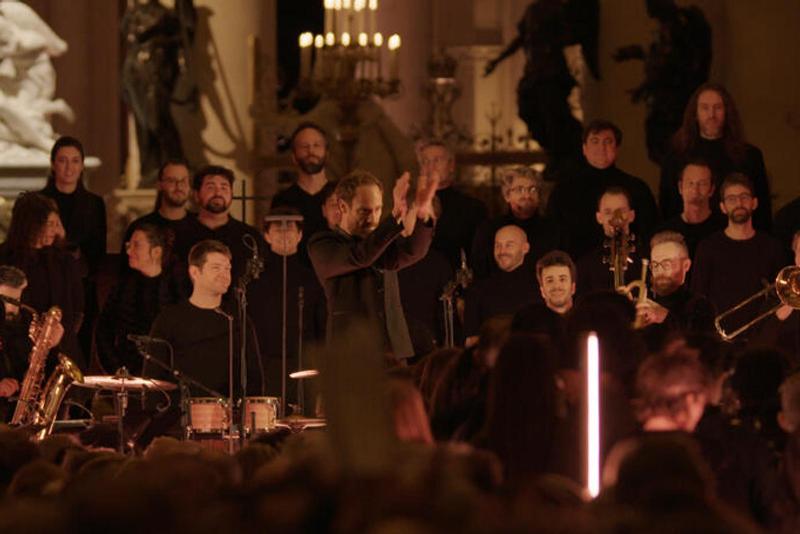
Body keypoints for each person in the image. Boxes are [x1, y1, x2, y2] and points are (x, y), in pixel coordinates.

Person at [308, 169, 437, 365]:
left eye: (378, 209)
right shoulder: (323, 243)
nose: (373, 218)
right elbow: (360, 257)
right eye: (364, 211)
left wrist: (423, 215)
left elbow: (413, 252)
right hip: (351, 352)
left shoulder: (381, 242)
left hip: (392, 351)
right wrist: (394, 219)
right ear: (342, 206)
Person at [145, 240, 263, 438]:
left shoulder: (238, 319)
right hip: (177, 425)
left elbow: (254, 377)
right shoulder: (169, 319)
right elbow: (152, 378)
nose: (225, 274)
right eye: (216, 268)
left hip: (228, 425)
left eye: (228, 268)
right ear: (195, 272)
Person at [660, 83, 772, 231]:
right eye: (705, 108)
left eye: (718, 108)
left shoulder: (749, 156)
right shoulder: (676, 155)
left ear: (727, 112)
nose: (711, 115)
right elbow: (668, 205)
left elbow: (762, 209)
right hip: (687, 237)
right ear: (695, 113)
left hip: (736, 239)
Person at [613, 0, 711, 164]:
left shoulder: (678, 27)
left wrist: (647, 81)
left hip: (674, 101)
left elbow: (671, 66)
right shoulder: (672, 26)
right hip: (668, 99)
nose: (648, 10)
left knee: (670, 149)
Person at [691, 173, 786, 339]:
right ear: (722, 207)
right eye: (732, 199)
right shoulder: (708, 247)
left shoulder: (772, 246)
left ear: (754, 203)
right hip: (719, 339)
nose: (739, 203)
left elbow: (781, 296)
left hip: (763, 337)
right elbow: (698, 298)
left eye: (744, 197)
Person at [246, 208, 325, 405]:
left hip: (304, 365)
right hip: (264, 366)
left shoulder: (314, 277)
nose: (283, 232)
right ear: (266, 235)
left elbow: (322, 325)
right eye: (277, 228)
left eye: (289, 227)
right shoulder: (253, 280)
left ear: (299, 235)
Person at [548, 120, 659, 260]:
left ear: (617, 148)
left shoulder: (638, 189)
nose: (601, 147)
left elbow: (649, 235)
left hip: (629, 267)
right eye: (595, 141)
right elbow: (554, 238)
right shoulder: (563, 192)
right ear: (584, 148)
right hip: (577, 270)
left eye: (608, 141)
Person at [0, 193, 83, 367]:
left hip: (59, 353)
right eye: (49, 224)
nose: (55, 230)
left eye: (56, 224)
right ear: (30, 224)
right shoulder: (4, 258)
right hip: (14, 357)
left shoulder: (65, 261)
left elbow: (77, 309)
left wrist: (61, 337)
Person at [121, 0, 196, 186]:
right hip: (135, 71)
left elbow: (187, 31)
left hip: (155, 70)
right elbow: (129, 34)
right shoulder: (134, 12)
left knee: (158, 120)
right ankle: (150, 170)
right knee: (143, 125)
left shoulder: (167, 15)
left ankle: (176, 164)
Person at [95, 224, 184, 376]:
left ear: (156, 252)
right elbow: (103, 331)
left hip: (167, 375)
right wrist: (116, 368)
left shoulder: (177, 288)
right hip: (128, 375)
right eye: (128, 245)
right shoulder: (122, 287)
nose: (129, 251)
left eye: (136, 245)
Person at [172, 165, 265, 286]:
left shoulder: (250, 237)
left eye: (224, 187)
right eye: (210, 187)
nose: (218, 193)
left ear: (231, 194)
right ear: (196, 195)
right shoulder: (178, 235)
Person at [0, 266, 64, 421]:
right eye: (4, 301)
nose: (13, 308)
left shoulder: (25, 322)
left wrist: (52, 342)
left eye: (17, 301)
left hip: (17, 414)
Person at [471, 166, 558, 279]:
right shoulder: (489, 229)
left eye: (532, 189)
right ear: (507, 195)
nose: (526, 195)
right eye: (519, 189)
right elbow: (479, 269)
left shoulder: (553, 230)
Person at [635, 231, 715, 350]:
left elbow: (700, 346)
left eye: (666, 264)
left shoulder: (701, 306)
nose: (659, 271)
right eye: (655, 265)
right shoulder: (644, 304)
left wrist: (664, 316)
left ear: (686, 265)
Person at [464, 225, 539, 347]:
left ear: (525, 248)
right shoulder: (477, 290)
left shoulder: (540, 287)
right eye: (498, 245)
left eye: (509, 245)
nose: (502, 251)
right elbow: (471, 341)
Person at [417, 139, 486, 270]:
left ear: (451, 165)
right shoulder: (410, 206)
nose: (431, 166)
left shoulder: (472, 208)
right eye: (425, 161)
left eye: (437, 160)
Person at [272, 122, 334, 254]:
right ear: (294, 157)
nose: (311, 151)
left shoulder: (341, 195)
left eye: (316, 145)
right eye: (304, 146)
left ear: (327, 154)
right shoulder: (282, 200)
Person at [576, 187, 645, 296]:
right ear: (599, 217)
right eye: (608, 212)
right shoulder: (585, 266)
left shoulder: (645, 260)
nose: (615, 218)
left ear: (632, 215)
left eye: (621, 211)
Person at [121, 159, 195, 256]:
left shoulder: (200, 226)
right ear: (159, 185)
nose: (179, 186)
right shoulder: (139, 228)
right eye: (171, 181)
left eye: (183, 181)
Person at [656, 159, 726, 259]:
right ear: (680, 187)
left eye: (702, 184)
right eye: (690, 183)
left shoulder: (724, 230)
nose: (695, 190)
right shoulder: (665, 233)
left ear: (711, 190)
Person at [512, 250, 575, 341]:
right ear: (542, 290)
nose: (556, 286)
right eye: (550, 280)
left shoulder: (586, 324)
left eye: (562, 279)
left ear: (573, 287)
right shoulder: (529, 331)